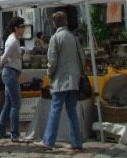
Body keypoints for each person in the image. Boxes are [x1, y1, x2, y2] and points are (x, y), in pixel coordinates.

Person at [35, 11, 83, 152]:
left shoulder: (55, 38)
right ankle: (76, 142)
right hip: (73, 79)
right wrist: (78, 73)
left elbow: (52, 61)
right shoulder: (73, 37)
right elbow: (82, 57)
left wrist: (49, 74)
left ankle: (48, 141)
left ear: (54, 24)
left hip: (61, 80)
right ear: (65, 21)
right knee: (72, 111)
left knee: (55, 110)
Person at [0, 16, 28, 143]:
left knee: (9, 104)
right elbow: (4, 58)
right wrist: (6, 63)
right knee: (16, 104)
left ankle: (1, 131)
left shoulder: (15, 39)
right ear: (16, 28)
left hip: (11, 73)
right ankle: (14, 134)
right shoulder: (13, 41)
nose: (24, 29)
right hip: (10, 73)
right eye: (22, 27)